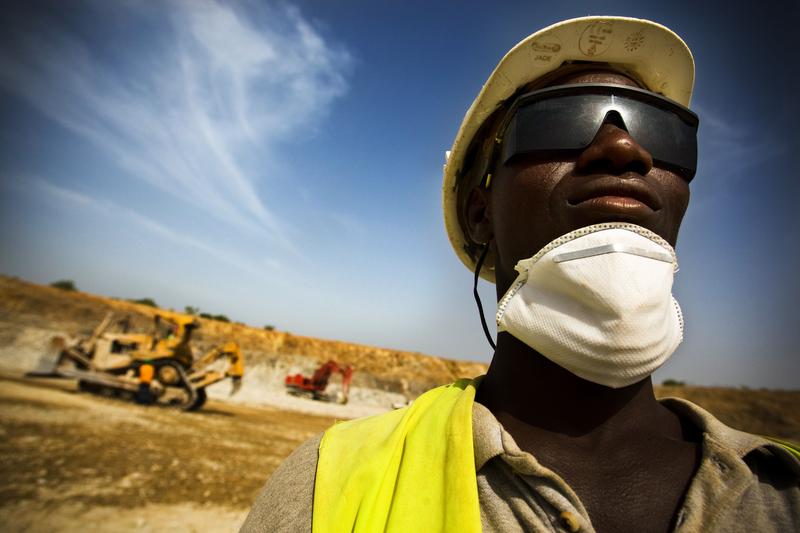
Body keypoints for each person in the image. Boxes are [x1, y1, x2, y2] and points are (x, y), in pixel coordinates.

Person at [242, 16, 799, 532]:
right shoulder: (329, 485)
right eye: (560, 120)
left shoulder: (785, 491)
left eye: (662, 131)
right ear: (479, 212)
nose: (624, 148)